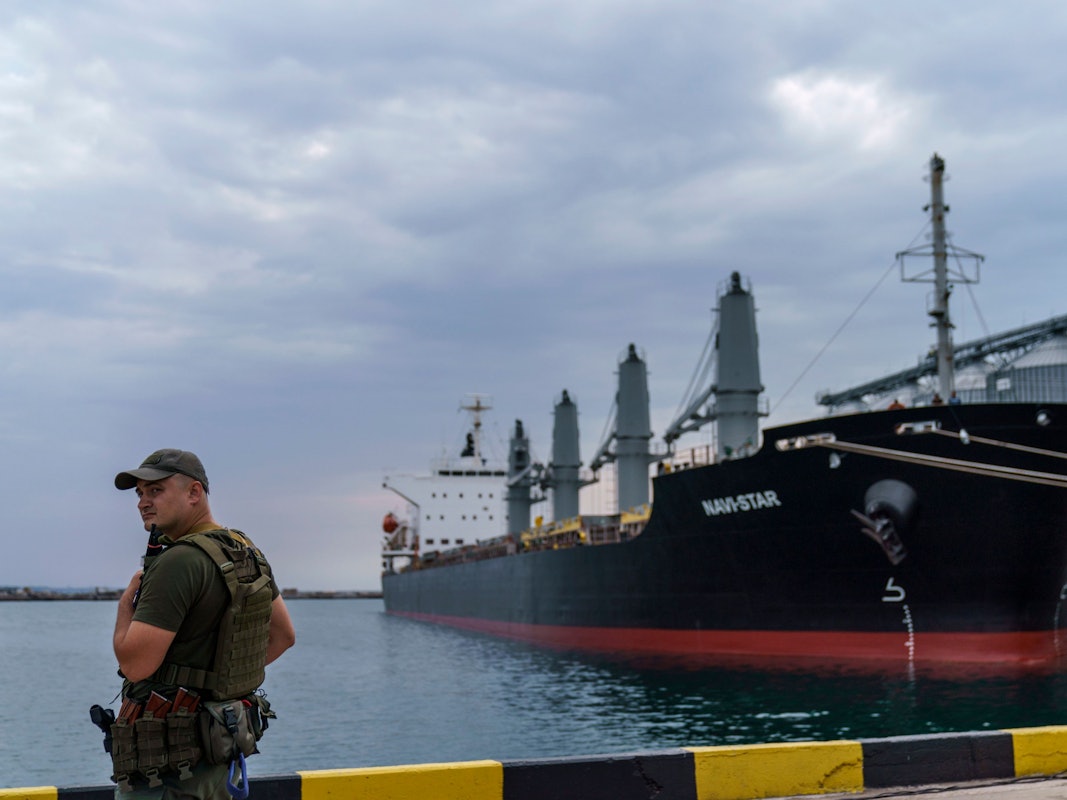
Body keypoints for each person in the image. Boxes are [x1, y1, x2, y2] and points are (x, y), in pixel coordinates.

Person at [110, 449, 296, 798]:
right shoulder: (243, 549)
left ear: (194, 493)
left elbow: (135, 665)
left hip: (167, 774)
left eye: (156, 490)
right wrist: (218, 683)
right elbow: (283, 636)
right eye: (140, 493)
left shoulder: (177, 562)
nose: (143, 502)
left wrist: (124, 608)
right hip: (219, 759)